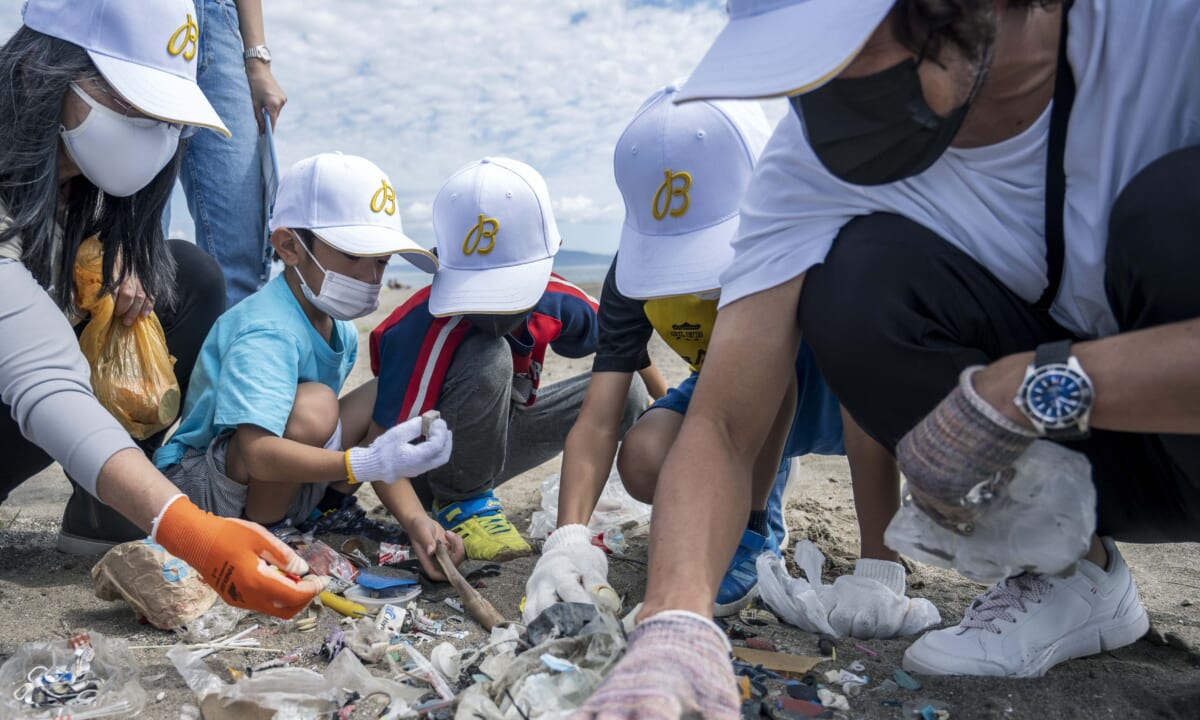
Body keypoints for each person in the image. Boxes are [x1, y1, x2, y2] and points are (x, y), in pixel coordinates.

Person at [575, 0, 1200, 715]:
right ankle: (1073, 573)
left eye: (845, 44)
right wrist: (675, 623)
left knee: (1174, 219)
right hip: (1101, 478)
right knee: (858, 282)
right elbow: (720, 424)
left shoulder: (1169, 31)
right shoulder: (812, 162)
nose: (824, 86)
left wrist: (1022, 389)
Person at [0, 0, 323, 619]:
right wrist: (192, 530)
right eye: (129, 102)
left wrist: (103, 267)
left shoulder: (86, 183)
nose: (151, 129)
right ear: (46, 70)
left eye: (165, 117)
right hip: (28, 395)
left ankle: (106, 507)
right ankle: (133, 497)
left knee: (186, 273)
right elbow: (42, 375)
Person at [524, 84, 867, 623]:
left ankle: (754, 518)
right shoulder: (630, 276)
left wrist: (879, 572)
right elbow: (598, 422)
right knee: (642, 457)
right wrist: (567, 541)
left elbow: (871, 381)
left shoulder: (827, 242)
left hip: (844, 396)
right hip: (730, 405)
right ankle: (758, 513)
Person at [155, 152, 466, 579]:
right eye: (356, 255)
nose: (373, 277)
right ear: (289, 247)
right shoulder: (267, 328)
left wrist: (418, 524)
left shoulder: (338, 329)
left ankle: (326, 512)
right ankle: (272, 531)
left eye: (381, 260)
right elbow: (259, 453)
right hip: (205, 486)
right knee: (317, 406)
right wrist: (361, 464)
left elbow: (375, 444)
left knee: (386, 390)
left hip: (275, 479)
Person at [366, 157, 658, 562]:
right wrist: (416, 522)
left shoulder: (557, 300)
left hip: (491, 445)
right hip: (423, 471)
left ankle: (475, 493)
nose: (493, 310)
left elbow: (625, 343)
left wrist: (664, 405)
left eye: (507, 292)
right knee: (490, 352)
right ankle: (462, 504)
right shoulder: (418, 327)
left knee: (629, 392)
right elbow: (379, 446)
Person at [165, 0, 286, 309]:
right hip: (138, 14)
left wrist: (257, 60)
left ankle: (234, 357)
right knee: (130, 258)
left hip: (220, 19)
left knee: (241, 266)